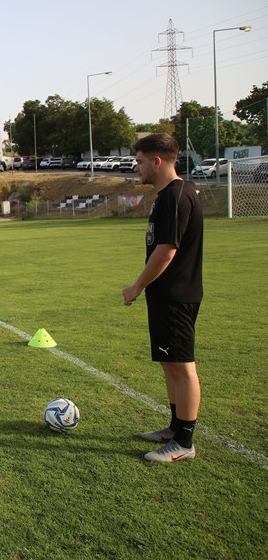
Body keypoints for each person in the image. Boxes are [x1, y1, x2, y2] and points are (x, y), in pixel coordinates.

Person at [123, 133, 203, 463]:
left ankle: (184, 442)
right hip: (167, 295)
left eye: (140, 161)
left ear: (157, 161)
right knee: (170, 364)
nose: (136, 166)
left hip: (175, 294)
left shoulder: (175, 196)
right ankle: (174, 428)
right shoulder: (169, 195)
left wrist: (137, 286)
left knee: (182, 367)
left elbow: (167, 250)